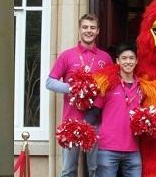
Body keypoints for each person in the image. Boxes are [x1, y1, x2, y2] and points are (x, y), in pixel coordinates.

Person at [46, 13, 113, 177]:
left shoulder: (105, 57)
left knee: (95, 169)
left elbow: (110, 88)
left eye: (92, 28)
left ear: (98, 31)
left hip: (95, 121)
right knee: (68, 170)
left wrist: (96, 104)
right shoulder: (67, 55)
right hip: (71, 122)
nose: (88, 31)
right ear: (79, 29)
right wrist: (74, 88)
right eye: (85, 27)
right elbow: (49, 82)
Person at [94, 43, 142, 177]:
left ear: (136, 61)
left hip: (133, 148)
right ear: (117, 61)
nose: (128, 62)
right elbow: (94, 113)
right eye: (124, 58)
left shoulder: (143, 87)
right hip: (108, 148)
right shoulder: (107, 84)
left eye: (131, 58)